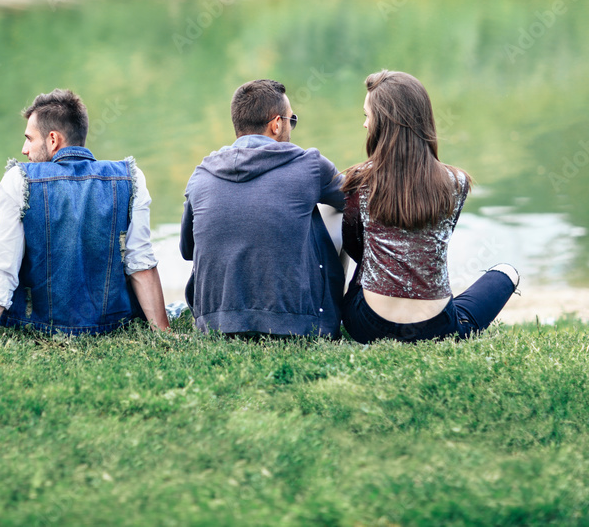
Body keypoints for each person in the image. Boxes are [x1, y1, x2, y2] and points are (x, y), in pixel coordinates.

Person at [0, 89, 169, 341]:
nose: (24, 149)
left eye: (29, 139)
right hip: (112, 324)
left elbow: (3, 265)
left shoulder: (19, 180)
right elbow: (140, 262)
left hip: (37, 325)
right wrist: (164, 333)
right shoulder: (130, 178)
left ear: (53, 139)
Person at [340, 70, 520, 343]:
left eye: (368, 116)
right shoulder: (456, 182)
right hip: (435, 328)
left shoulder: (359, 180)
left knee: (358, 245)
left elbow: (356, 247)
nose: (365, 124)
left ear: (384, 122)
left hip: (367, 325)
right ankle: (450, 316)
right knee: (507, 273)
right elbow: (434, 241)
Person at [180, 79, 347, 337]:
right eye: (291, 120)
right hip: (298, 325)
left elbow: (187, 250)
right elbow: (358, 198)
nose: (291, 127)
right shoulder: (310, 165)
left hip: (215, 325)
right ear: (276, 124)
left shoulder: (201, 175)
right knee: (335, 211)